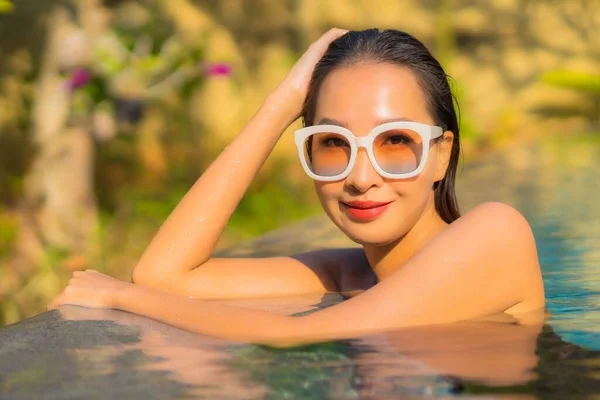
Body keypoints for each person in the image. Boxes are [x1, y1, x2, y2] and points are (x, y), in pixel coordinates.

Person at [48, 28, 546, 347]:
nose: (360, 176)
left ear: (441, 154)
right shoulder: (346, 274)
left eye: (395, 140)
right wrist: (280, 106)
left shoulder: (495, 235)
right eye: (331, 142)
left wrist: (116, 297)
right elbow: (162, 276)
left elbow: (294, 335)